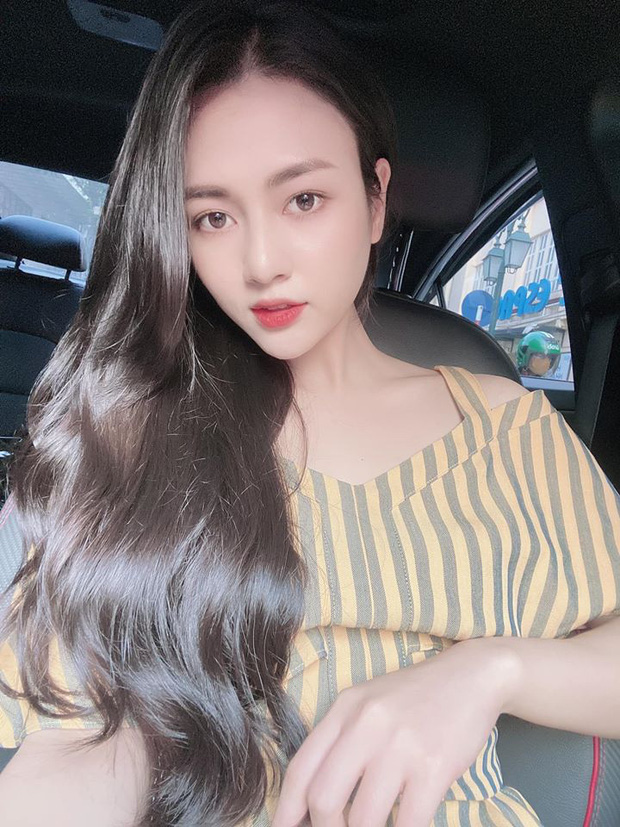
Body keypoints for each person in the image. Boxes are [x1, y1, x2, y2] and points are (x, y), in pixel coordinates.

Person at [1, 2, 619, 825]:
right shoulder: (136, 432)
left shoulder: (505, 429)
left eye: (303, 200)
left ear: (374, 199)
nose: (261, 262)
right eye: (212, 217)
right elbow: (77, 745)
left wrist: (490, 671)